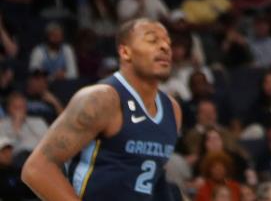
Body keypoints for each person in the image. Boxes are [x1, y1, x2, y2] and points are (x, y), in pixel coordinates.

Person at [21, 18, 181, 200]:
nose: (165, 47)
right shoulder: (101, 99)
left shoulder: (172, 109)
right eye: (152, 40)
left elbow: (153, 177)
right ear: (125, 51)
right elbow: (37, 169)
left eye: (168, 42)